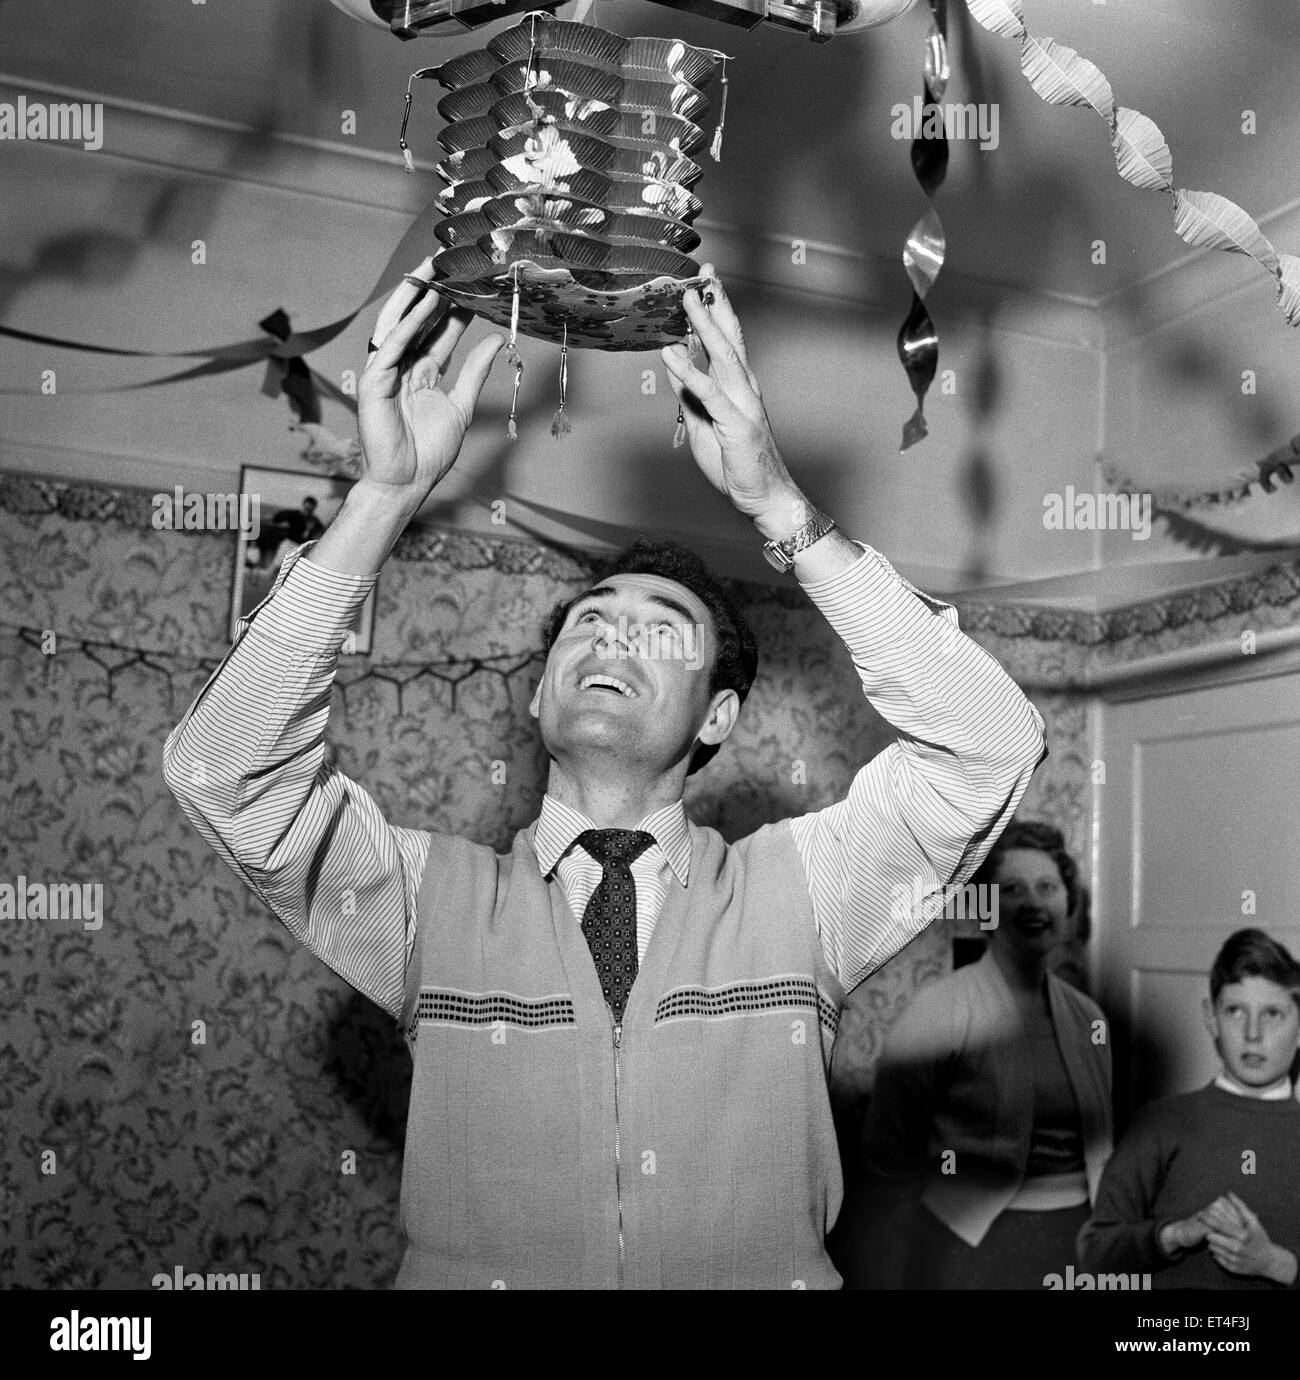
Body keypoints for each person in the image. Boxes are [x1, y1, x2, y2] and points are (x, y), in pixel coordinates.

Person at [162, 256, 1047, 1289]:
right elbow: (224, 771)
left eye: (656, 628)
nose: (610, 640)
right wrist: (384, 495)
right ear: (538, 698)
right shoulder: (425, 907)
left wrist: (779, 508)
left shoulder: (807, 892)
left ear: (718, 712)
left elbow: (990, 741)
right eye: (588, 624)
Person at [846, 820, 1112, 1288]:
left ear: (1068, 903)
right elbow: (887, 1169)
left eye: (1047, 886)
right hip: (967, 1249)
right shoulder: (936, 1013)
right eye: (1011, 889)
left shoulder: (1090, 1018)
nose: (1033, 903)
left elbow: (1102, 1152)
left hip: (1077, 1249)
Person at [1077, 928, 1300, 1289]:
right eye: (1235, 1011)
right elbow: (1096, 1255)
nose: (1253, 1034)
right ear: (1210, 1018)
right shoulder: (1160, 1124)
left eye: (1273, 1014)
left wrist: (1275, 1263)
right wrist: (1173, 1236)